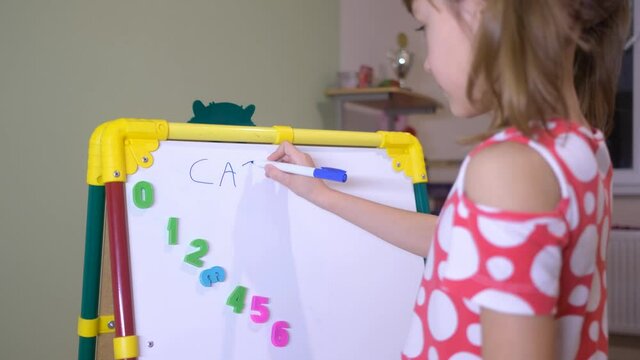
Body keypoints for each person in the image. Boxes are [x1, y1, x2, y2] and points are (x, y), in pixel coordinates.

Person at [264, 0, 630, 358]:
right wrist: (323, 195)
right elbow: (452, 240)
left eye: (425, 25)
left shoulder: (510, 169)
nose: (425, 60)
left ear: (484, 9)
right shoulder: (580, 147)